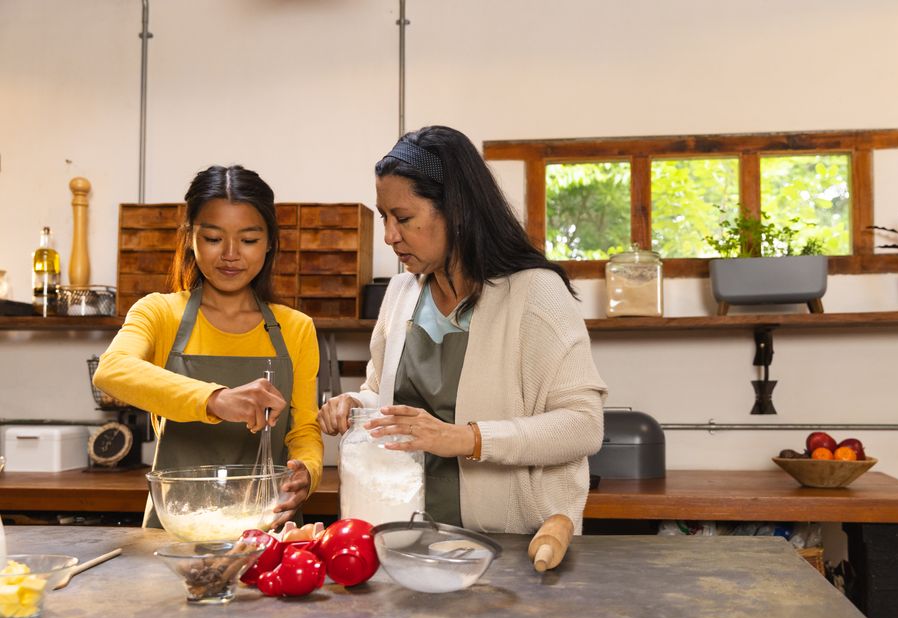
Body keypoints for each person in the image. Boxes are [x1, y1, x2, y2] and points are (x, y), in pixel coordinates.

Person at [318, 125, 606, 534]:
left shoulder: (535, 293)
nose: (389, 236)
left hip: (511, 545)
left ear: (456, 211)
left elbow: (583, 426)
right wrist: (353, 404)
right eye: (385, 217)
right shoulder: (401, 293)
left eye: (403, 218)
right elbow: (382, 394)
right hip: (408, 536)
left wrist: (466, 439)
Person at [94, 165, 321, 526]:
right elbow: (112, 370)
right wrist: (217, 399)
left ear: (270, 242)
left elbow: (303, 428)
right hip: (176, 527)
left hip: (266, 524)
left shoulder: (296, 328)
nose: (231, 254)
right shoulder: (159, 312)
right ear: (190, 238)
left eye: (248, 240)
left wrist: (307, 472)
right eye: (214, 238)